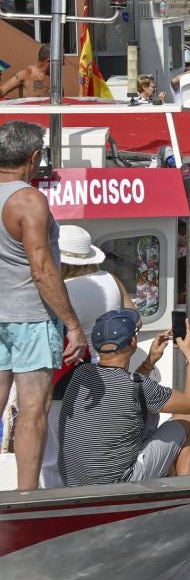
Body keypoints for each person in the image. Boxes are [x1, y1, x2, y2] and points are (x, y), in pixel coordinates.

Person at [0, 122, 86, 491]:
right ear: (33, 157)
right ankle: (25, 497)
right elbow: (42, 268)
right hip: (30, 317)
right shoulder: (28, 200)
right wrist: (72, 323)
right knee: (33, 412)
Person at [57, 309, 190, 486]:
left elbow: (126, 391)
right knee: (188, 420)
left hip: (74, 484)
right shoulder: (138, 386)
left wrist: (150, 361)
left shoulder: (81, 374)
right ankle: (185, 497)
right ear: (133, 341)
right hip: (118, 486)